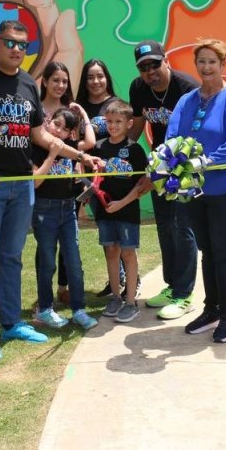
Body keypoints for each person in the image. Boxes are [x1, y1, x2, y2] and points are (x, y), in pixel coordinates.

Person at [0, 19, 94, 360]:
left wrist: (79, 155)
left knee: (11, 258)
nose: (16, 49)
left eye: (23, 45)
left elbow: (40, 136)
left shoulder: (29, 84)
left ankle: (12, 323)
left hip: (21, 185)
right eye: (10, 43)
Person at [167, 39, 226, 343]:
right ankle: (212, 309)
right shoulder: (187, 100)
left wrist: (206, 161)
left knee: (223, 250)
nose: (206, 68)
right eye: (201, 62)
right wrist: (174, 162)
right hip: (194, 189)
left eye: (212, 62)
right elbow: (172, 135)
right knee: (207, 249)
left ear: (223, 65)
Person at [128, 40, 200, 320]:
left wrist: (159, 170)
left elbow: (194, 137)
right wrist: (122, 152)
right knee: (165, 227)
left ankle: (185, 295)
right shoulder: (138, 88)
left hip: (184, 165)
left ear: (166, 61)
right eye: (143, 67)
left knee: (183, 227)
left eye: (154, 64)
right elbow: (136, 124)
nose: (150, 72)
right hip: (158, 165)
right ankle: (173, 286)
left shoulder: (187, 88)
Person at [30, 107, 98, 331]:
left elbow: (87, 146)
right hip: (44, 211)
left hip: (68, 210)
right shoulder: (35, 148)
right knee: (47, 262)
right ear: (48, 122)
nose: (58, 131)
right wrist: (52, 155)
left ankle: (79, 310)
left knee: (74, 262)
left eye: (65, 129)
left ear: (70, 134)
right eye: (55, 124)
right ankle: (46, 309)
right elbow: (35, 182)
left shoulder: (70, 150)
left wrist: (85, 183)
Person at [38, 61, 95, 307]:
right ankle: (45, 302)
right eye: (56, 80)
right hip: (44, 192)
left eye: (64, 81)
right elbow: (47, 146)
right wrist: (57, 152)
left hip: (67, 190)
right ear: (45, 81)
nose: (60, 85)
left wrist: (82, 115)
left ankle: (67, 292)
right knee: (47, 250)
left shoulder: (69, 112)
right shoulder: (36, 111)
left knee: (71, 250)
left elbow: (84, 144)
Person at [89, 99, 149, 323]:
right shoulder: (98, 147)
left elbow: (141, 185)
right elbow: (94, 179)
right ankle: (115, 296)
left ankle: (131, 301)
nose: (113, 126)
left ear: (129, 123)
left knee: (127, 253)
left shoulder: (134, 150)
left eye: (118, 122)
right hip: (105, 211)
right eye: (110, 121)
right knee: (111, 252)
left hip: (126, 211)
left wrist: (121, 203)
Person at [75, 57, 128, 298]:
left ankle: (129, 280)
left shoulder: (117, 105)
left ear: (106, 77)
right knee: (105, 231)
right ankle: (116, 280)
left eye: (100, 75)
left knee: (122, 230)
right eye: (90, 77)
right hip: (92, 182)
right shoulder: (78, 108)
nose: (96, 81)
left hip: (116, 180)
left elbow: (129, 139)